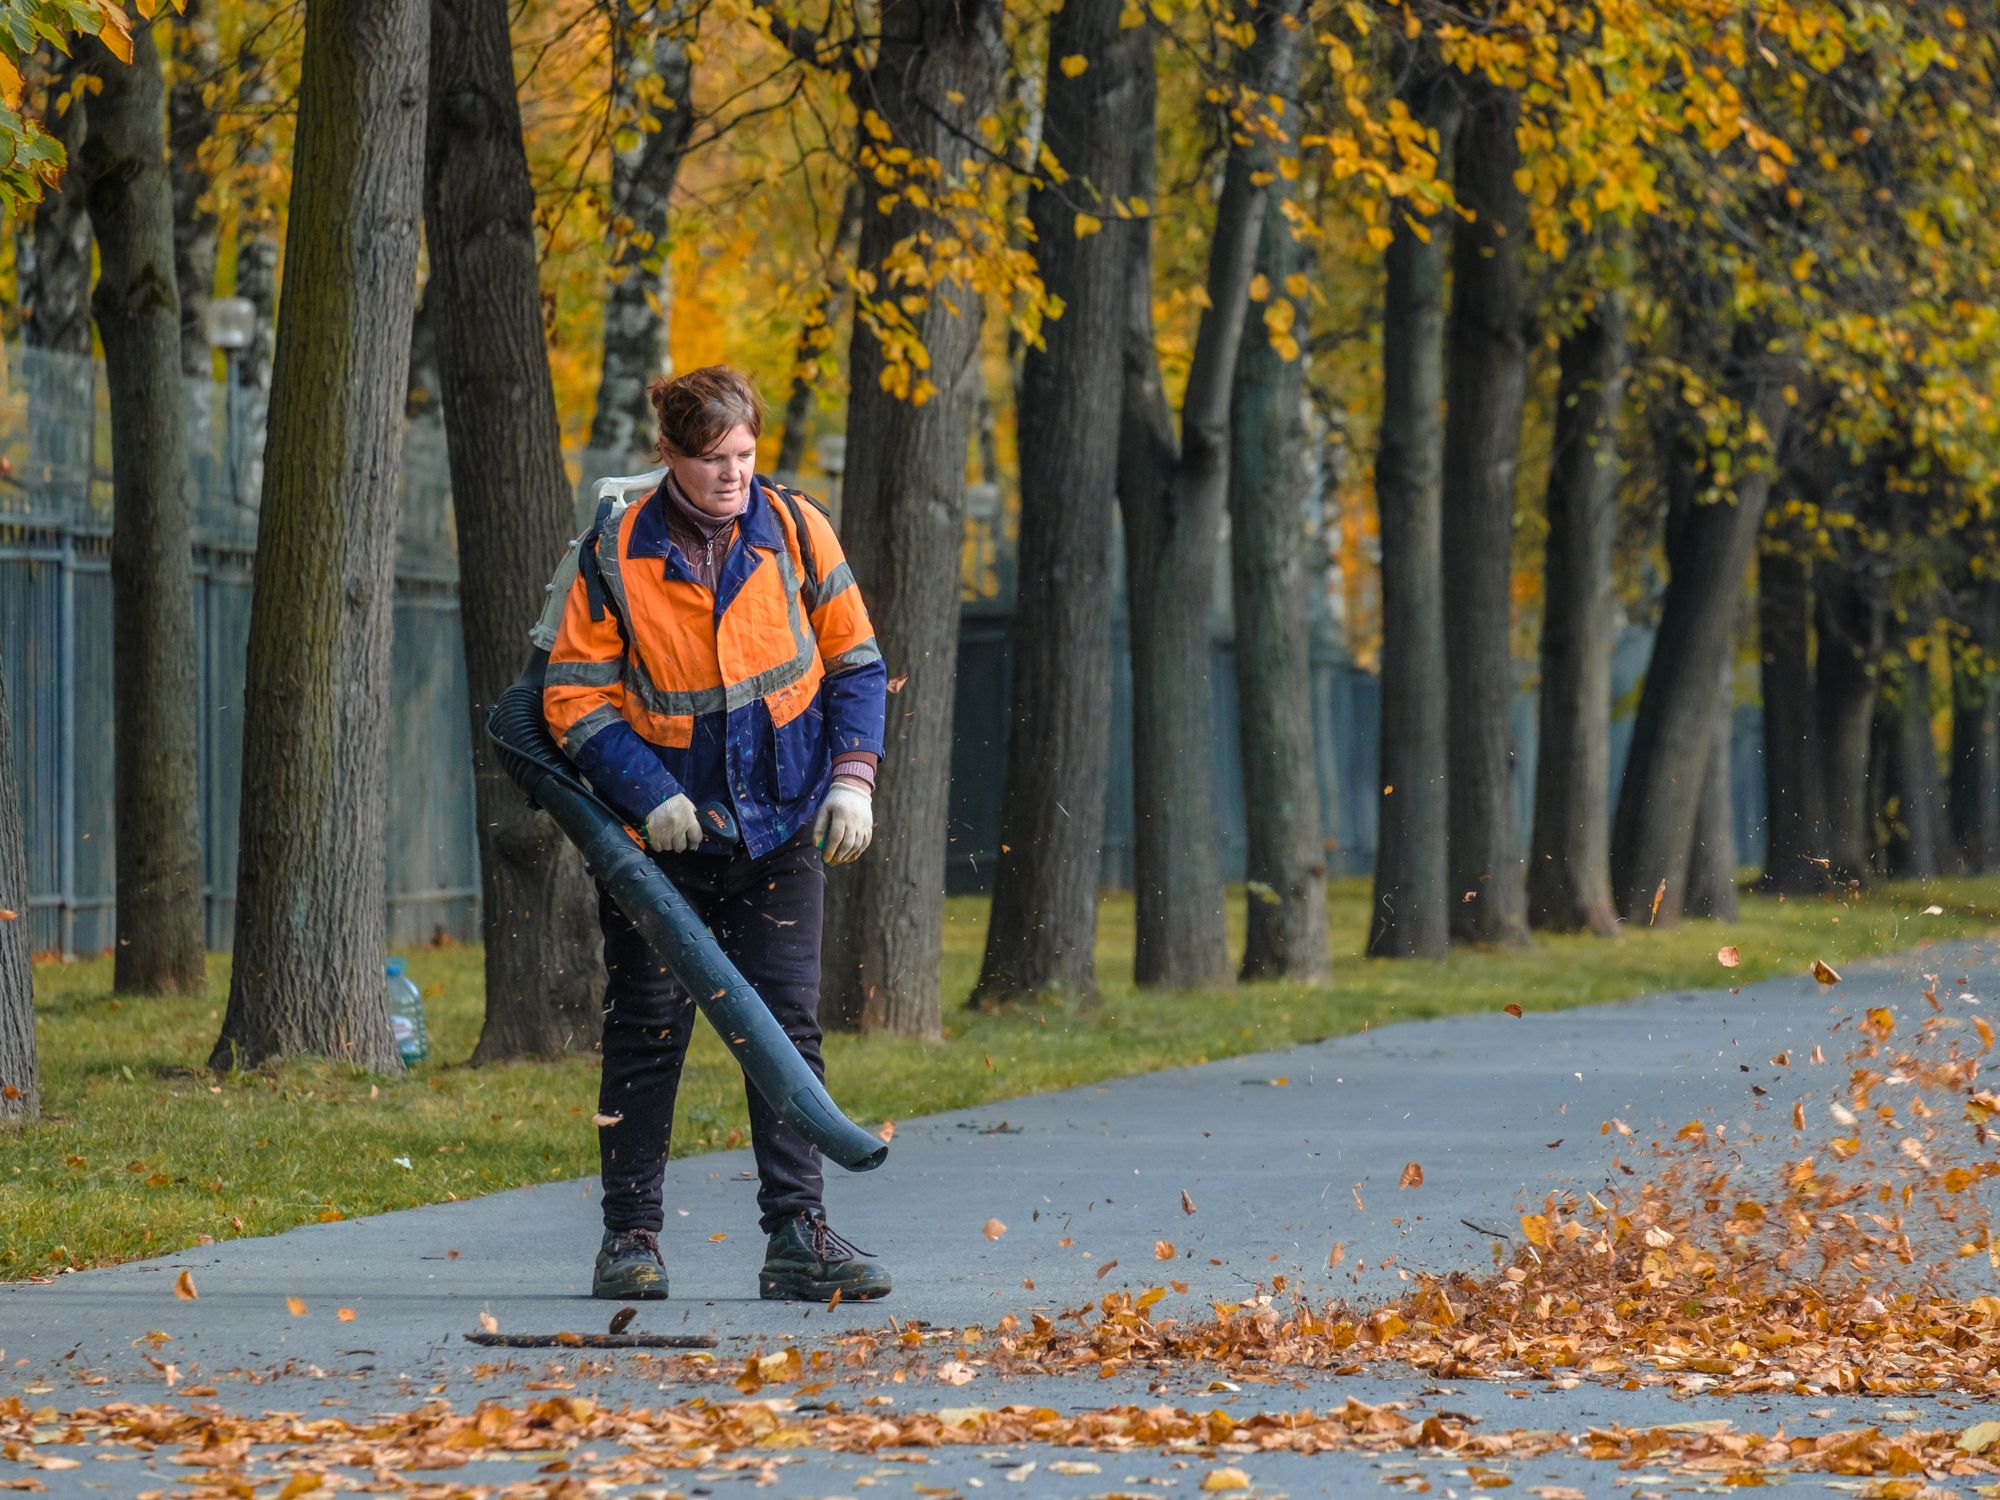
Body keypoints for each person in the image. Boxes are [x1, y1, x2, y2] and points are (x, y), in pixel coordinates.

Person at [542, 365, 890, 1303]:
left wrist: (853, 778)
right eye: (711, 459)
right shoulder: (615, 556)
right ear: (669, 455)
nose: (733, 475)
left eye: (743, 454)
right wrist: (647, 792)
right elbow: (572, 699)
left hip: (780, 828)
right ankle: (630, 1240)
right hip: (663, 846)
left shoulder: (797, 530)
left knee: (787, 1029)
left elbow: (856, 662)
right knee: (647, 1031)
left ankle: (798, 1235)